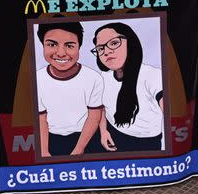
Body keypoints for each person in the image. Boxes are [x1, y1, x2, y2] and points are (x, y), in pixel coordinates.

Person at [36, 21, 103, 157]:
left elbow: (94, 117)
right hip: (51, 138)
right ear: (43, 45)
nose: (61, 53)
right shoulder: (38, 78)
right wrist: (44, 151)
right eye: (52, 44)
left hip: (86, 137)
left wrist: (78, 150)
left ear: (79, 47)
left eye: (69, 45)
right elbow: (41, 119)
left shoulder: (93, 78)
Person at [94, 22, 164, 152]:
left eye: (114, 43)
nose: (107, 51)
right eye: (100, 48)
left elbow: (171, 112)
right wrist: (103, 132)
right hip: (111, 134)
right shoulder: (103, 77)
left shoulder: (152, 75)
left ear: (131, 43)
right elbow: (102, 107)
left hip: (145, 143)